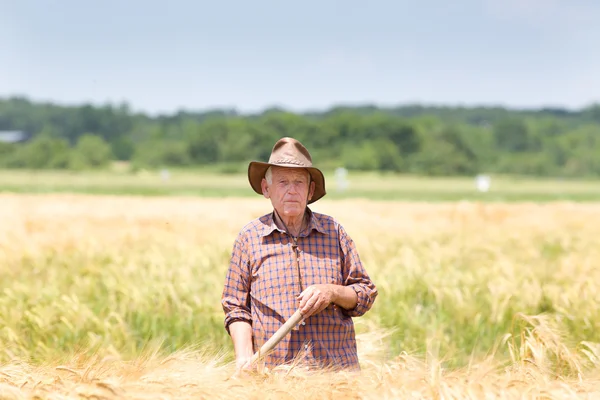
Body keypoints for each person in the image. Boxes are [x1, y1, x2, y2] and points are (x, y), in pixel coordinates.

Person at [221, 137, 378, 372]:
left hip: (336, 377)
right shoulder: (250, 237)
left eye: (299, 182)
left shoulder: (333, 232)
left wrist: (332, 292)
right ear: (266, 188)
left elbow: (365, 293)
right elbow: (236, 308)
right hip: (273, 377)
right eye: (283, 182)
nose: (292, 190)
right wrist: (244, 358)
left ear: (310, 190)